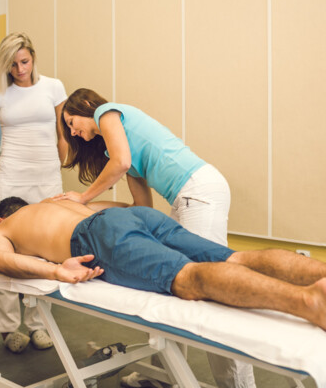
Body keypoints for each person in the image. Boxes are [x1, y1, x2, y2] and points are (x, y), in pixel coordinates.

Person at [0, 197, 326, 358]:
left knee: (188, 278)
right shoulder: (55, 203)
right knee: (235, 256)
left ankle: (310, 302)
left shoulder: (6, 227)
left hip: (97, 236)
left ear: (2, 217)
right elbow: (119, 206)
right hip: (130, 216)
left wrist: (56, 270)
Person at [60, 88, 253, 387]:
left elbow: (121, 163)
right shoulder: (119, 150)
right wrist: (87, 210)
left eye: (72, 123)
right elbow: (140, 207)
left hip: (198, 192)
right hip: (190, 197)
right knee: (168, 284)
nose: (73, 132)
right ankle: (162, 375)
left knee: (211, 292)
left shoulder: (106, 113)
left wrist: (83, 198)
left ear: (86, 104)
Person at [0, 32, 67, 353]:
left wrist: (58, 165)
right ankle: (8, 328)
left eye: (24, 62)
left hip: (46, 179)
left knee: (45, 250)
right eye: (13, 64)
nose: (20, 69)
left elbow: (63, 135)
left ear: (33, 58)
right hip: (11, 178)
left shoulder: (53, 87)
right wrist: (1, 172)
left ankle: (38, 323)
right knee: (4, 250)